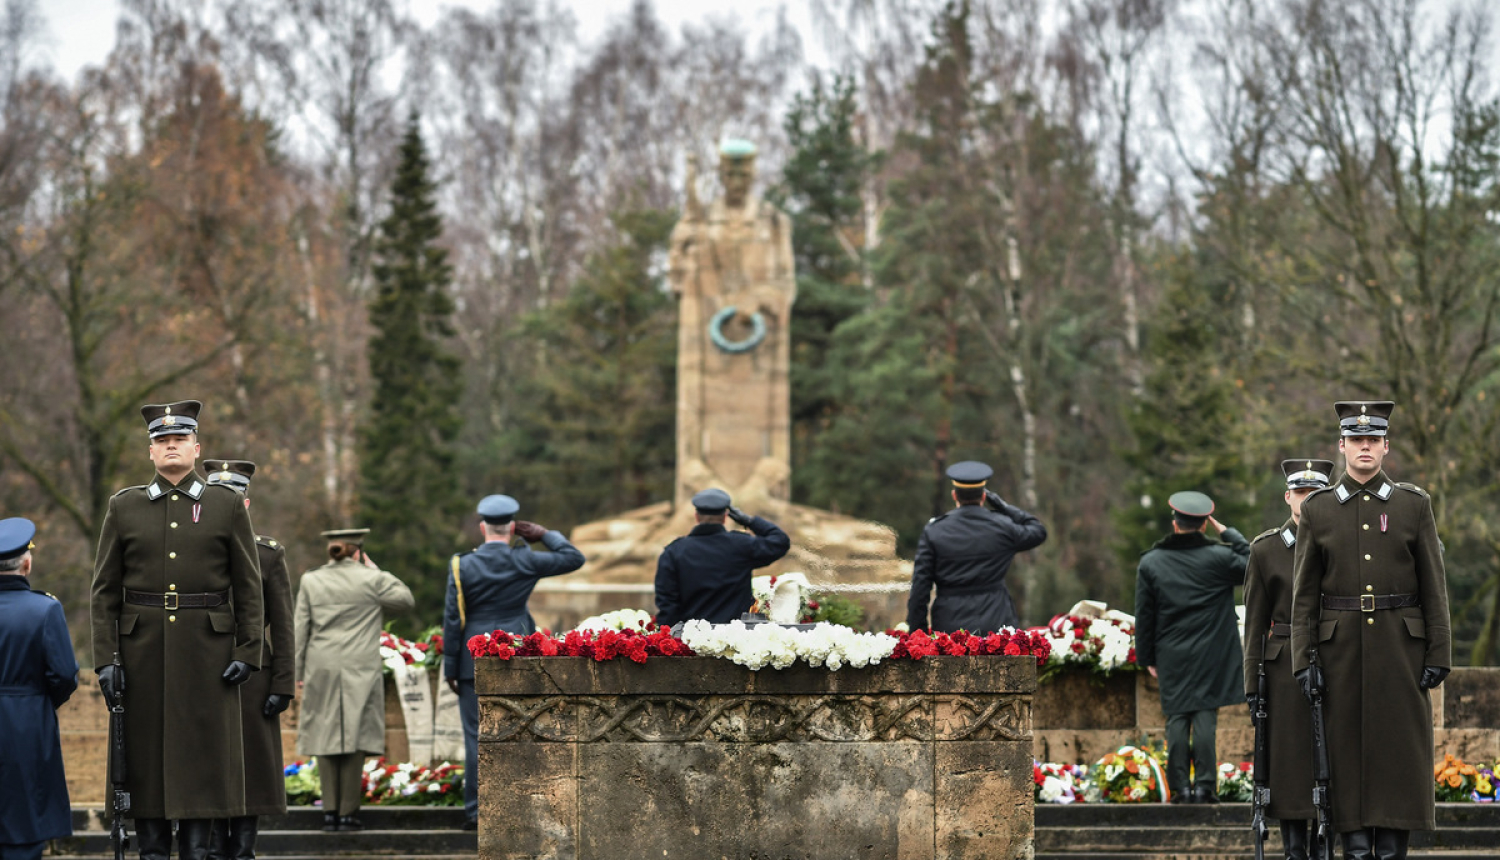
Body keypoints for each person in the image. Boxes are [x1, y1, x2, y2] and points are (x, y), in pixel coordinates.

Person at [90, 400, 264, 860]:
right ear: (150, 452)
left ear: (196, 447)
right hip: (140, 654)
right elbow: (103, 591)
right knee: (143, 765)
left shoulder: (225, 505)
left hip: (207, 655)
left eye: (180, 439)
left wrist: (247, 652)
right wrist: (106, 659)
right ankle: (151, 853)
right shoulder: (123, 506)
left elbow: (249, 586)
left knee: (201, 765)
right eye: (162, 440)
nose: (171, 445)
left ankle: (195, 852)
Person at [1290, 401, 1451, 860]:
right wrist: (1304, 660)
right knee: (1346, 760)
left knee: (1398, 758)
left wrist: (1439, 652)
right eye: (1355, 440)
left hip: (1402, 653)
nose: (1364, 447)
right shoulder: (1319, 510)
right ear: (1341, 447)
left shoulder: (1413, 505)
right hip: (1339, 656)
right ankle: (1356, 850)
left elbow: (1433, 586)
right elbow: (1304, 597)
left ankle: (1392, 851)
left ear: (1385, 447)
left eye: (1373, 440)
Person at [442, 494, 586, 831]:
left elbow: (452, 619)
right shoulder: (527, 560)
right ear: (511, 527)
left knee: (476, 736)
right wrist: (545, 534)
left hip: (472, 658)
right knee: (522, 732)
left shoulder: (462, 565)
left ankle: (476, 813)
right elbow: (573, 557)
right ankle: (520, 808)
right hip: (518, 652)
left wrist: (451, 666)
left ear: (482, 527)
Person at [294, 528, 414, 833]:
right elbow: (405, 600)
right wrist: (375, 570)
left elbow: (299, 630)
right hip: (360, 667)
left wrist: (296, 673)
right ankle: (348, 813)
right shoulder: (371, 579)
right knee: (355, 739)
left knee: (324, 737)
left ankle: (329, 812)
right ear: (358, 550)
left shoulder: (312, 579)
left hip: (321, 667)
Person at [203, 460, 294, 860]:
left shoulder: (267, 554)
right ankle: (207, 850)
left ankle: (241, 852)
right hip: (203, 669)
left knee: (251, 770)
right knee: (206, 765)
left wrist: (283, 683)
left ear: (247, 502)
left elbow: (285, 625)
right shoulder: (192, 551)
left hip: (254, 677)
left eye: (234, 498)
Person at [1135, 490, 1249, 804]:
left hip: (1171, 652)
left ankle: (1181, 789)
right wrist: (1226, 531)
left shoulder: (1151, 562)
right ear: (1203, 525)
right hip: (1212, 653)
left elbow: (1144, 616)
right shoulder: (1221, 558)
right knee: (1204, 719)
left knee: (1176, 718)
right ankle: (1205, 788)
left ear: (1175, 523)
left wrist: (1147, 656)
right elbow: (1253, 560)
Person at [1244, 460, 1334, 859]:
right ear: (1288, 498)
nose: (1307, 500)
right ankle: (1294, 846)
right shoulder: (1265, 549)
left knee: (1330, 763)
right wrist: (1252, 687)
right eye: (1300, 493)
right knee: (1290, 767)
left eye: (1315, 494)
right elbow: (1254, 627)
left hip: (1331, 662)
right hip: (1282, 673)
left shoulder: (1338, 543)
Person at [0, 518, 79, 860]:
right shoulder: (45, 609)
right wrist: (38, 701)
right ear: (27, 562)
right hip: (28, 725)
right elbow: (64, 674)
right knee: (26, 820)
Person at [905, 461, 1048, 634]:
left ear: (954, 495)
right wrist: (1003, 507)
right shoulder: (1003, 527)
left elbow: (920, 586)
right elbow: (1038, 531)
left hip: (950, 627)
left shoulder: (934, 531)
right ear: (983, 497)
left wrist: (917, 633)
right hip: (996, 624)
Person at [653, 488, 791, 628]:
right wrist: (750, 521)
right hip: (734, 640)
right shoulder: (741, 545)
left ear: (696, 516)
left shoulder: (674, 552)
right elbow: (780, 541)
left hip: (690, 642)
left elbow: (667, 605)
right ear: (725, 517)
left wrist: (672, 641)